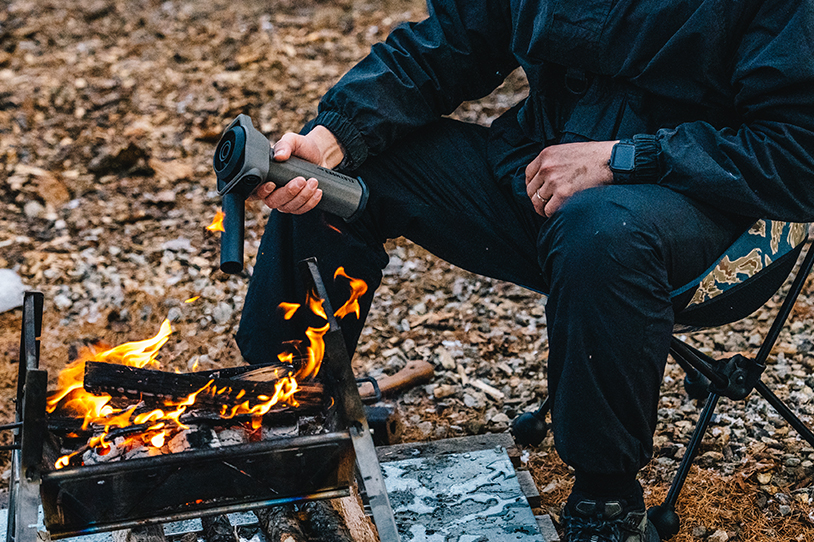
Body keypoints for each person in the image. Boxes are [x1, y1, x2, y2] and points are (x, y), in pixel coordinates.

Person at [234, 1, 814, 540]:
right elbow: (453, 41)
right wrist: (335, 137)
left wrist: (622, 159)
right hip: (545, 168)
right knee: (333, 184)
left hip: (722, 214)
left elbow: (798, 152)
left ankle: (605, 505)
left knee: (602, 228)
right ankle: (286, 412)